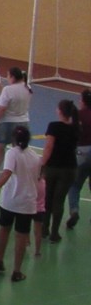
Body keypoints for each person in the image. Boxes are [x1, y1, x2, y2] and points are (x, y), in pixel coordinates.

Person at [0, 125, 41, 282]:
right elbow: (36, 178)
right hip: (27, 202)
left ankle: (0, 259)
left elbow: (7, 173)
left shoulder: (11, 153)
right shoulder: (35, 157)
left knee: (4, 229)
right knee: (21, 236)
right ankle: (17, 270)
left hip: (10, 201)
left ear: (14, 139)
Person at [40, 99, 79, 243]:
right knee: (59, 201)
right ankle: (55, 233)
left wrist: (42, 164)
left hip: (53, 167)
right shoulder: (76, 128)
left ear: (60, 111)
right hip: (69, 168)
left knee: (47, 199)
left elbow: (48, 147)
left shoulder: (54, 126)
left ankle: (44, 228)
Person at [0, 67, 32, 175]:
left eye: (8, 76)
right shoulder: (28, 88)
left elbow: (2, 108)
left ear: (13, 77)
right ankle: (18, 171)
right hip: (23, 121)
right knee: (19, 149)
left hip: (7, 122)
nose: (7, 78)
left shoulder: (8, 90)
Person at [66, 89, 91, 228]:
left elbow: (70, 131)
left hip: (81, 152)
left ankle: (74, 210)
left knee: (75, 185)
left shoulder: (78, 115)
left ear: (83, 101)